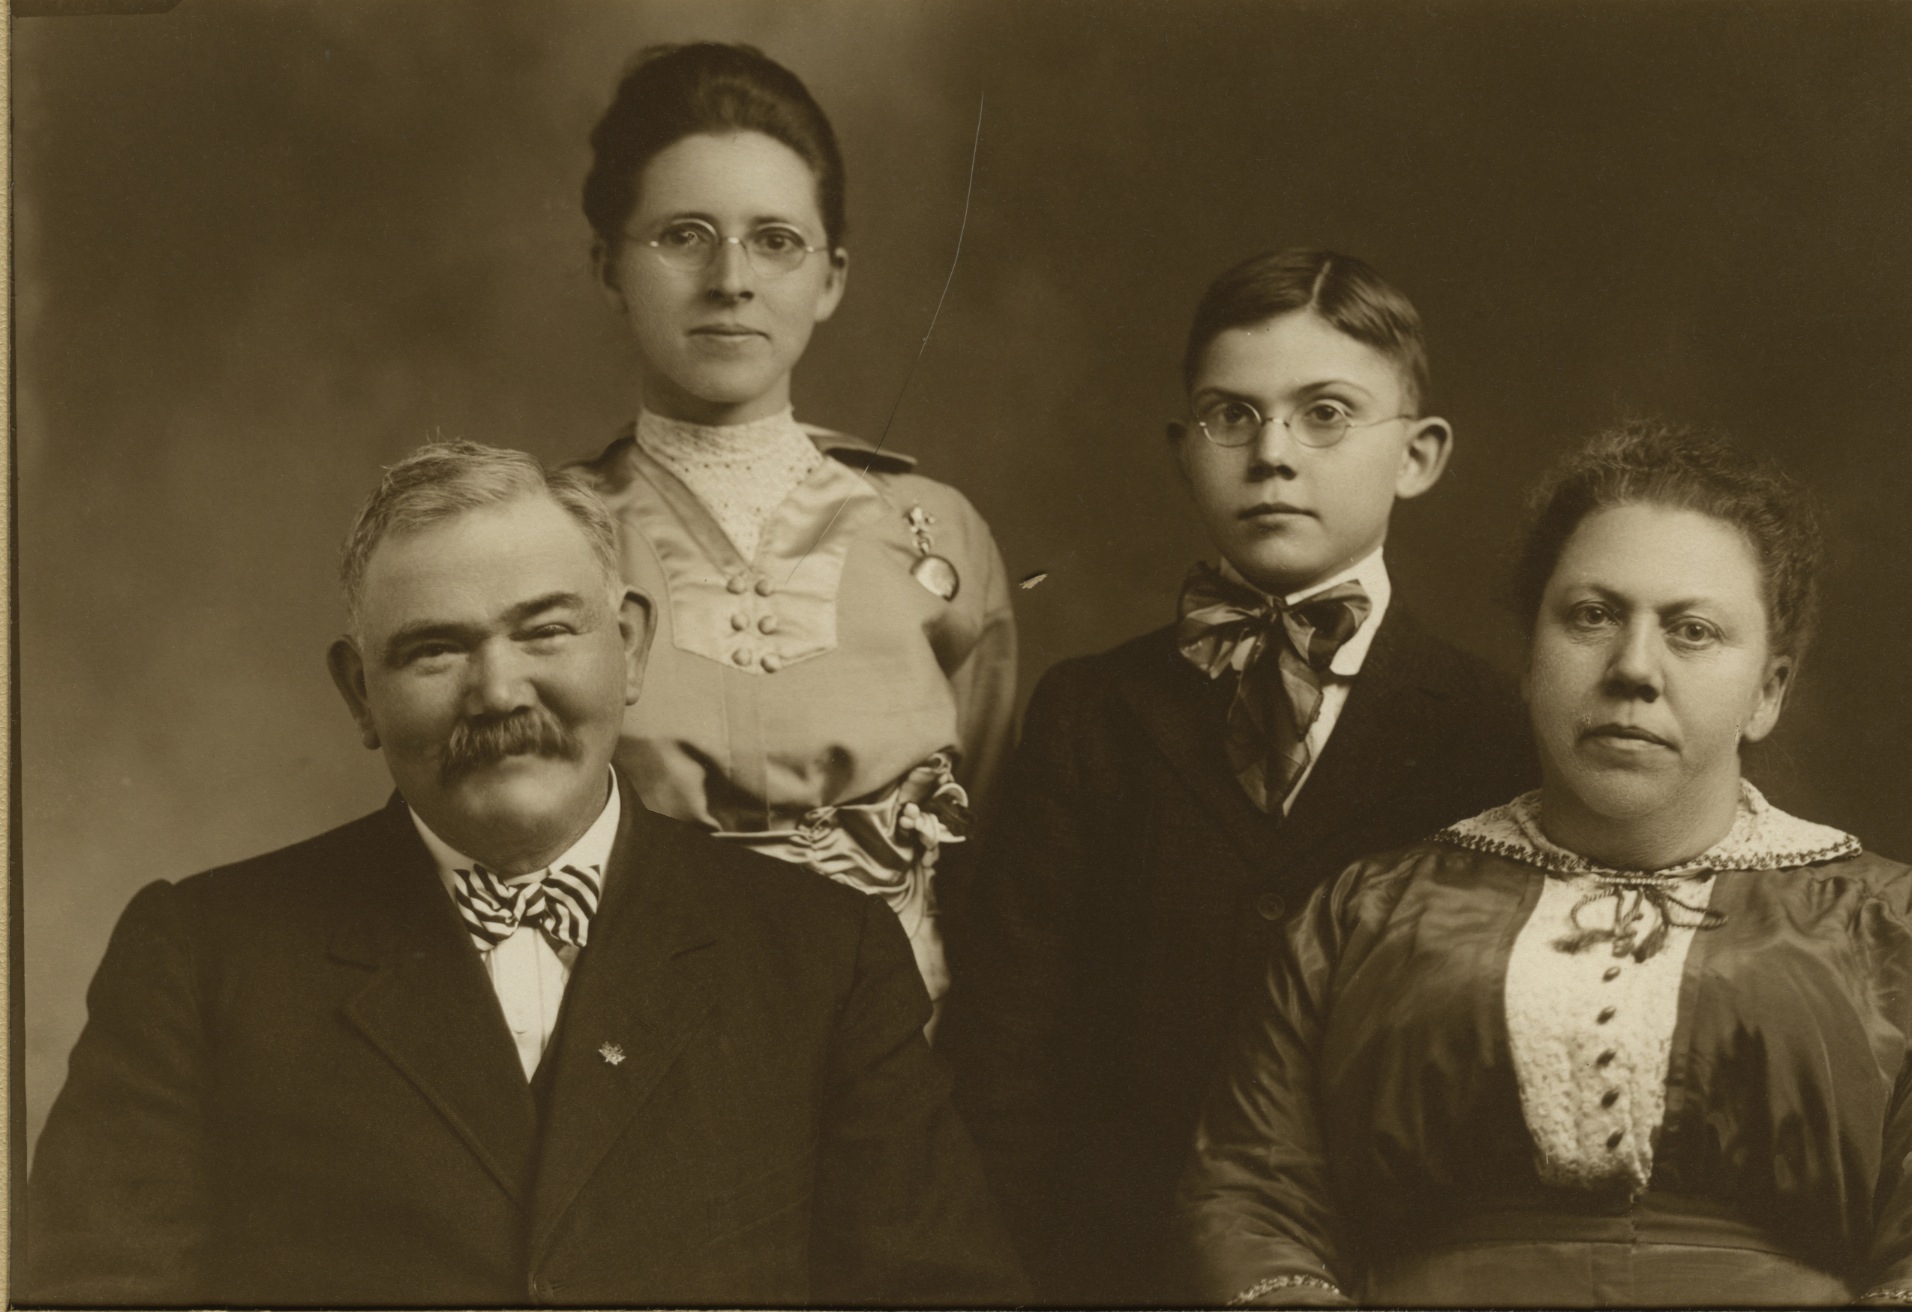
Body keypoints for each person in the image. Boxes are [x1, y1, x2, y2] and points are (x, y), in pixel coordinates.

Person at [25, 441, 1025, 1308]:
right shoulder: (199, 956)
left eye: (546, 631)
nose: (499, 691)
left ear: (629, 649)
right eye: (434, 649)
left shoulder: (822, 951)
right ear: (360, 693)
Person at [1177, 419, 1912, 1307]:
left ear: (1769, 690)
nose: (1633, 669)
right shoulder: (1368, 912)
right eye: (1591, 617)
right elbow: (1252, 1199)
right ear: (1529, 659)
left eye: (1692, 631)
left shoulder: (1884, 926)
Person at [937, 247, 1535, 1303]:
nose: (1272, 455)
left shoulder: (1492, 728)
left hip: (1382, 1262)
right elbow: (1007, 1052)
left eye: (1325, 414)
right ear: (1183, 449)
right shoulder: (1091, 712)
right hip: (1112, 1264)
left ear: (1419, 455)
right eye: (1231, 416)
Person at [568, 43, 1015, 1021]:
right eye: (682, 236)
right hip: (636, 1036)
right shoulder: (551, 537)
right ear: (609, 268)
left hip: (899, 1044)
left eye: (775, 240)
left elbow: (989, 845)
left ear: (831, 278)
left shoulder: (933, 531)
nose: (730, 279)